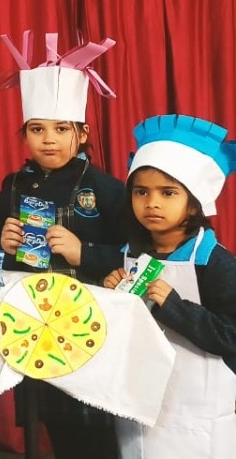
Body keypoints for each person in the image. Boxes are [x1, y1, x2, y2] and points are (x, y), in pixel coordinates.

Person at [0, 32, 124, 459]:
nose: (49, 139)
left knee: (92, 422)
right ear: (24, 135)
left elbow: (133, 258)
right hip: (32, 321)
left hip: (89, 320)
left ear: (82, 134)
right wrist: (3, 244)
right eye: (37, 129)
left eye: (61, 129)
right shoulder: (14, 185)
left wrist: (85, 253)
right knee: (44, 416)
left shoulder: (105, 188)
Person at [103, 115, 236, 457]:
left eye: (168, 192)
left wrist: (175, 307)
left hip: (198, 413)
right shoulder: (129, 254)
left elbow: (231, 337)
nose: (152, 203)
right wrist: (113, 296)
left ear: (194, 202)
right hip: (138, 404)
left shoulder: (216, 263)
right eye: (141, 192)